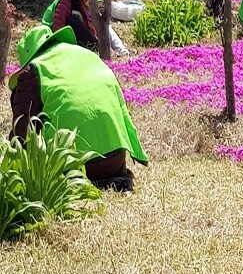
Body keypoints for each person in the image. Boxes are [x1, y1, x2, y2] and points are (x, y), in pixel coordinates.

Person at [9, 25, 148, 192]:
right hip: (115, 161)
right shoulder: (88, 56)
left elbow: (22, 133)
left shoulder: (34, 71)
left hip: (77, 169)